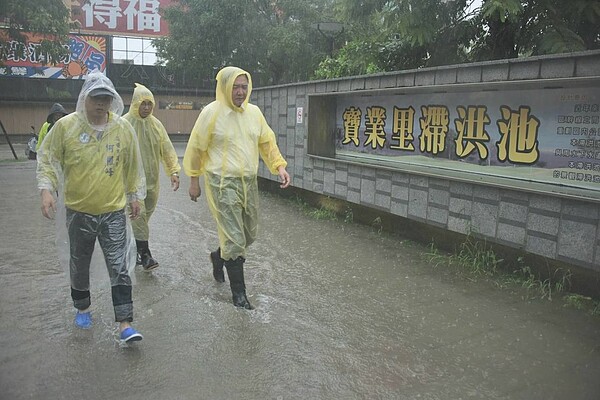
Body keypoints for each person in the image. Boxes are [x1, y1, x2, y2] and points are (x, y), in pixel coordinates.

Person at [37, 70, 146, 343]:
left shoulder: (122, 128)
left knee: (119, 266)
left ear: (113, 101)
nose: (101, 103)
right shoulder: (66, 127)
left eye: (106, 99)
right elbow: (48, 159)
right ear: (85, 97)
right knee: (79, 263)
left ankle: (125, 323)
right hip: (79, 210)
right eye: (96, 97)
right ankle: (83, 307)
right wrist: (46, 190)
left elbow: (133, 165)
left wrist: (135, 196)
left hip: (113, 211)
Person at [183, 66, 291, 310]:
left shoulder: (254, 113)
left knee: (247, 235)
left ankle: (218, 256)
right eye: (236, 87)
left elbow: (267, 142)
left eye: (244, 86)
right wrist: (193, 180)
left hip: (248, 182)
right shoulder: (211, 113)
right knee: (234, 237)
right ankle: (239, 296)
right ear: (224, 87)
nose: (241, 92)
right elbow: (197, 148)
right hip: (221, 182)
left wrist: (279, 167)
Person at [123, 83, 181, 271]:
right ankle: (146, 255)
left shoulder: (156, 125)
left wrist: (173, 171)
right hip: (130, 184)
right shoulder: (124, 124)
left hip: (152, 182)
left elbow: (167, 149)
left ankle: (132, 249)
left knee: (143, 218)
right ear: (134, 104)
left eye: (150, 103)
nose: (146, 107)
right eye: (143, 103)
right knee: (138, 217)